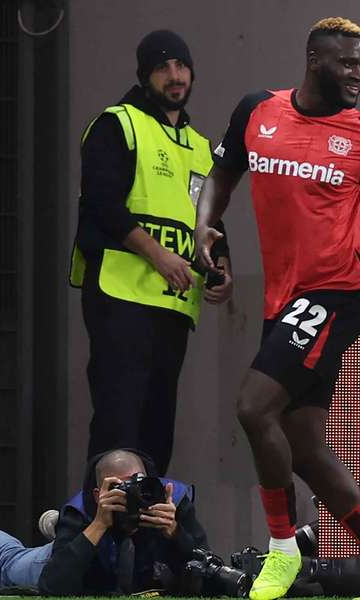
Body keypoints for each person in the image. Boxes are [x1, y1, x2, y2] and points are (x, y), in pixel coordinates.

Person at [194, 17, 360, 600]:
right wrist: (206, 224)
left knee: (253, 408)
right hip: (284, 296)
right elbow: (222, 173)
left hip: (339, 289)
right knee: (302, 445)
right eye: (347, 63)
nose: (357, 74)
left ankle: (281, 548)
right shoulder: (257, 111)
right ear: (314, 59)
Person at [68, 30, 232, 474]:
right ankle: (100, 536)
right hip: (121, 297)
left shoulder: (200, 146)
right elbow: (101, 206)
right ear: (145, 76)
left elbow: (211, 223)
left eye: (181, 65)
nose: (174, 76)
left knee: (157, 429)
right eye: (162, 67)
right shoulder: (117, 123)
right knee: (117, 425)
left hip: (173, 306)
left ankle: (149, 539)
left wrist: (222, 269)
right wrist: (159, 256)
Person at [0, 450, 207, 595]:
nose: (133, 494)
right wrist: (98, 523)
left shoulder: (171, 499)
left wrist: (174, 532)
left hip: (112, 569)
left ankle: (53, 525)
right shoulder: (82, 511)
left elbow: (207, 572)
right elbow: (53, 586)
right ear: (99, 494)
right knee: (8, 561)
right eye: (119, 488)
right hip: (66, 558)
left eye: (138, 483)